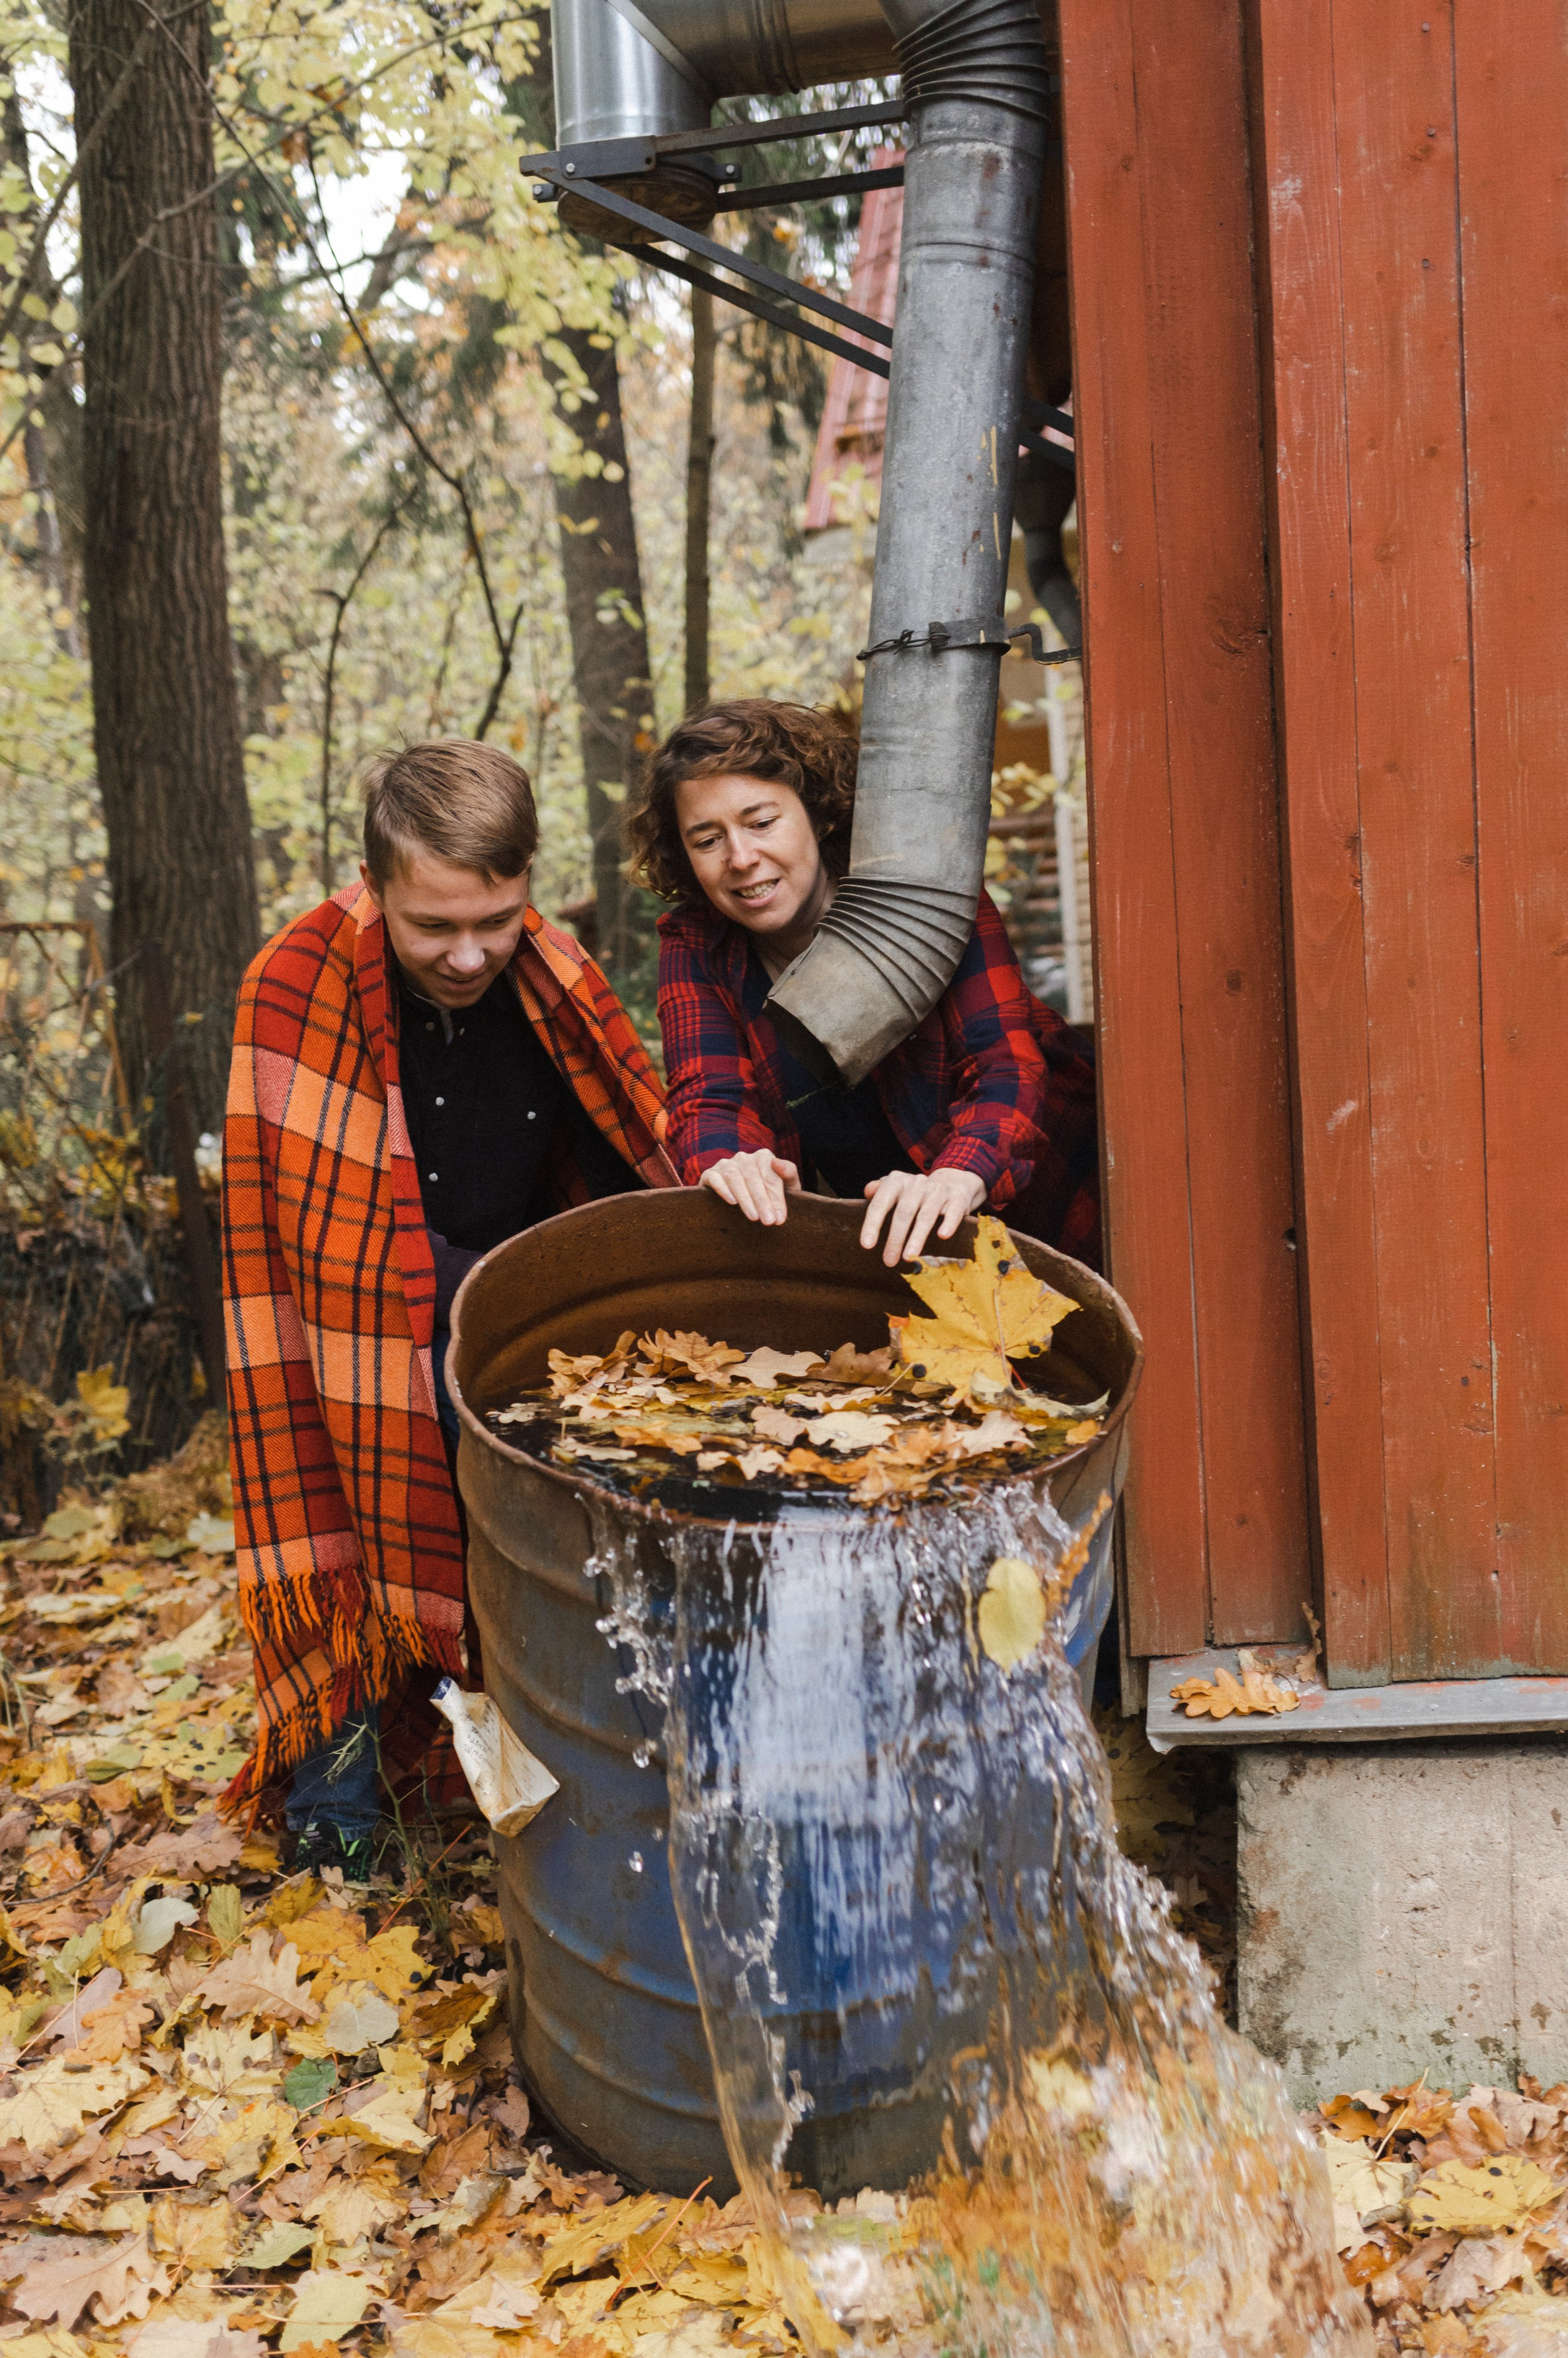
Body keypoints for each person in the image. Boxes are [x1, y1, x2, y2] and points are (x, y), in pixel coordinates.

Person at [221, 739, 676, 1876]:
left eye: (499, 918)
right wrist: (490, 1303)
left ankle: (580, 1793)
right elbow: (313, 1241)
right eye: (435, 929)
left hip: (523, 1335)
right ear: (374, 887)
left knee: (568, 1532)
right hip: (356, 1349)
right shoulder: (296, 982)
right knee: (347, 1542)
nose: (471, 953)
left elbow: (626, 1163)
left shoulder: (554, 975)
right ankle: (345, 1830)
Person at [632, 698, 1099, 1267]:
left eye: (761, 823)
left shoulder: (927, 893)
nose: (741, 857)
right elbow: (708, 1097)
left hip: (1059, 1203)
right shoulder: (697, 944)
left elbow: (1005, 1065)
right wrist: (730, 1162)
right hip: (898, 1249)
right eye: (707, 840)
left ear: (817, 812)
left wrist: (956, 1176)